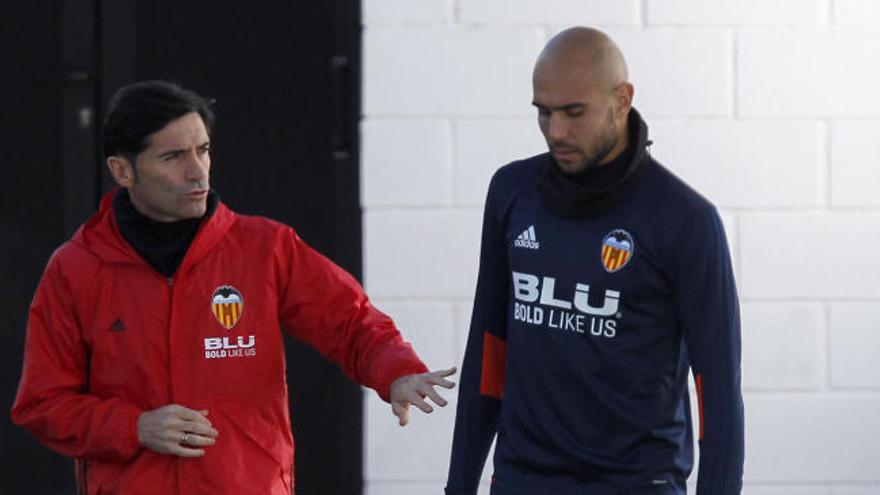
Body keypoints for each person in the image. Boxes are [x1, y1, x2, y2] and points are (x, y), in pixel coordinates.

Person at [11, 80, 455, 494]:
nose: (197, 171)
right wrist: (134, 427)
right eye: (173, 157)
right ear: (123, 171)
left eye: (203, 150)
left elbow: (350, 320)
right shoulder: (76, 269)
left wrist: (396, 371)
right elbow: (43, 404)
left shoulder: (266, 247)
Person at [446, 27, 743, 494]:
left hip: (634, 483)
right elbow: (489, 351)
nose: (556, 131)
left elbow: (719, 397)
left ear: (622, 99)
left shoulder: (686, 221)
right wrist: (458, 487)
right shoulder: (512, 193)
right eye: (543, 113)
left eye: (574, 112)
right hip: (524, 480)